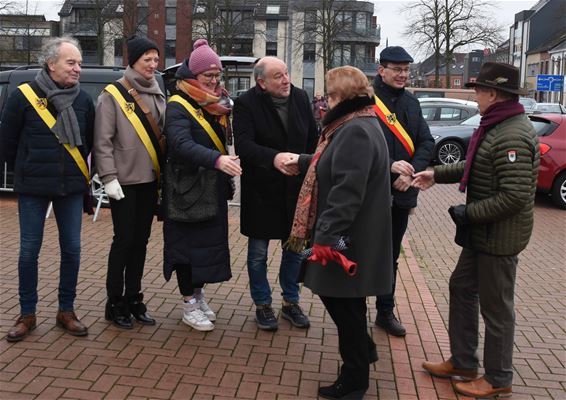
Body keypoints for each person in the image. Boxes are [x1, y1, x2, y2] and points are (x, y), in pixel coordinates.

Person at [414, 62, 540, 399]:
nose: (475, 95)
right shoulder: (497, 125)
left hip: (499, 236)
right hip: (483, 234)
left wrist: (468, 213)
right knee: (461, 287)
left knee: (497, 309)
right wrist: (435, 174)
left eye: (478, 90)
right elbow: (476, 165)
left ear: (494, 93)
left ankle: (498, 377)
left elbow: (513, 197)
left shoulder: (512, 132)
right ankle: (464, 362)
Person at [285, 66, 393, 400]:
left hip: (347, 237)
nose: (324, 102)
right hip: (353, 233)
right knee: (347, 301)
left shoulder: (354, 130)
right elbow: (334, 164)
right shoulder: (357, 123)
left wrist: (325, 238)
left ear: (340, 97)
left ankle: (355, 378)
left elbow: (348, 191)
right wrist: (303, 161)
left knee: (343, 303)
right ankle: (363, 352)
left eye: (329, 95)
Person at [0, 36, 94, 341]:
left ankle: (66, 310)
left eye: (79, 62)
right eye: (71, 62)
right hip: (33, 188)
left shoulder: (83, 100)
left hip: (71, 189)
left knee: (73, 250)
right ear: (51, 63)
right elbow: (7, 142)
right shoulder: (23, 96)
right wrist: (26, 169)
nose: (78, 68)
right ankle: (27, 313)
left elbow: (87, 143)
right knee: (29, 251)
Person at [233, 56, 318, 331]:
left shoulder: (301, 98)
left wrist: (302, 164)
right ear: (262, 82)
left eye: (286, 73)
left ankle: (291, 302)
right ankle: (263, 304)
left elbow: (313, 141)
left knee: (294, 250)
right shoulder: (247, 104)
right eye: (278, 76)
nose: (286, 80)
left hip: (295, 190)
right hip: (262, 192)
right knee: (258, 253)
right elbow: (244, 146)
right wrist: (275, 158)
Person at [163, 39, 241, 331]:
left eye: (217, 75)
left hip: (212, 186)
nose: (214, 81)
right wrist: (218, 160)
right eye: (208, 76)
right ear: (192, 76)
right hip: (185, 189)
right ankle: (188, 304)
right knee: (186, 247)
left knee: (208, 247)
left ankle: (198, 293)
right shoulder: (178, 104)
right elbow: (180, 144)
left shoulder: (217, 103)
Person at [93, 35, 166, 329]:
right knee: (123, 242)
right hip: (123, 182)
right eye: (146, 59)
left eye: (155, 59)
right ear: (133, 61)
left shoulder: (157, 90)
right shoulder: (112, 94)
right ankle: (115, 302)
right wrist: (109, 178)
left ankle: (135, 298)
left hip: (150, 180)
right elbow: (103, 142)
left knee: (141, 242)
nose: (152, 64)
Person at [372, 46, 434, 337]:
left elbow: (426, 143)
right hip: (371, 192)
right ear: (381, 70)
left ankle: (385, 310)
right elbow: (355, 148)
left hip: (404, 191)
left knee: (391, 255)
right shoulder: (365, 101)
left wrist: (410, 172)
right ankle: (354, 309)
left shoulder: (412, 103)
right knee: (361, 251)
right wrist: (388, 168)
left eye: (407, 70)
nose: (403, 75)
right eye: (397, 69)